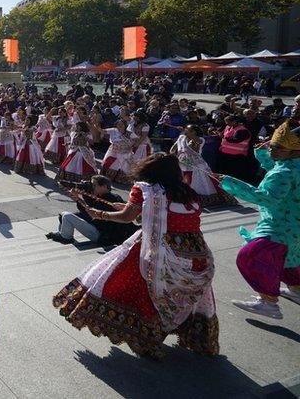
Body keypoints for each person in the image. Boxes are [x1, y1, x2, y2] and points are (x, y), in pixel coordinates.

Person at [53, 154, 218, 359]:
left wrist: (100, 214)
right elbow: (164, 215)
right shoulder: (189, 192)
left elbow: (126, 218)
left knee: (138, 292)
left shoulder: (145, 189)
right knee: (184, 297)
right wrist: (128, 207)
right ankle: (192, 336)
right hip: (196, 255)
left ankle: (147, 340)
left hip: (159, 251)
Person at [221, 120, 300, 319]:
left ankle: (268, 303)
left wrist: (229, 182)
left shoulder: (284, 172)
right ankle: (296, 290)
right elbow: (279, 167)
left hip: (278, 226)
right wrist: (263, 154)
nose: (271, 148)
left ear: (294, 151)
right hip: (294, 227)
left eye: (277, 147)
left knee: (250, 257)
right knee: (288, 260)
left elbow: (266, 197)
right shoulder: (292, 165)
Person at [46, 175, 130, 246]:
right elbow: (88, 209)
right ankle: (62, 233)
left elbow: (91, 213)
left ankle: (66, 238)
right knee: (63, 214)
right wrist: (79, 198)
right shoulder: (102, 196)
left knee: (67, 216)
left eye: (94, 185)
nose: (92, 187)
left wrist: (79, 198)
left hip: (102, 235)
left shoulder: (111, 198)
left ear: (104, 186)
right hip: (96, 227)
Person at [172, 125, 237, 207]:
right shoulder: (181, 138)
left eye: (187, 129)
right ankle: (186, 198)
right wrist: (175, 156)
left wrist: (188, 134)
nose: (185, 130)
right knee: (185, 180)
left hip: (197, 164)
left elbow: (196, 144)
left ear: (194, 132)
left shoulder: (200, 139)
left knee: (200, 181)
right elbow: (173, 149)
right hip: (183, 164)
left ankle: (202, 199)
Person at [215, 114, 253, 184]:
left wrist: (223, 137)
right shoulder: (229, 127)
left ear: (235, 121)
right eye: (226, 122)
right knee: (225, 172)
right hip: (225, 154)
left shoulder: (242, 130)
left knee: (234, 174)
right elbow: (223, 135)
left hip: (237, 156)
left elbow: (236, 140)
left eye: (228, 122)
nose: (227, 123)